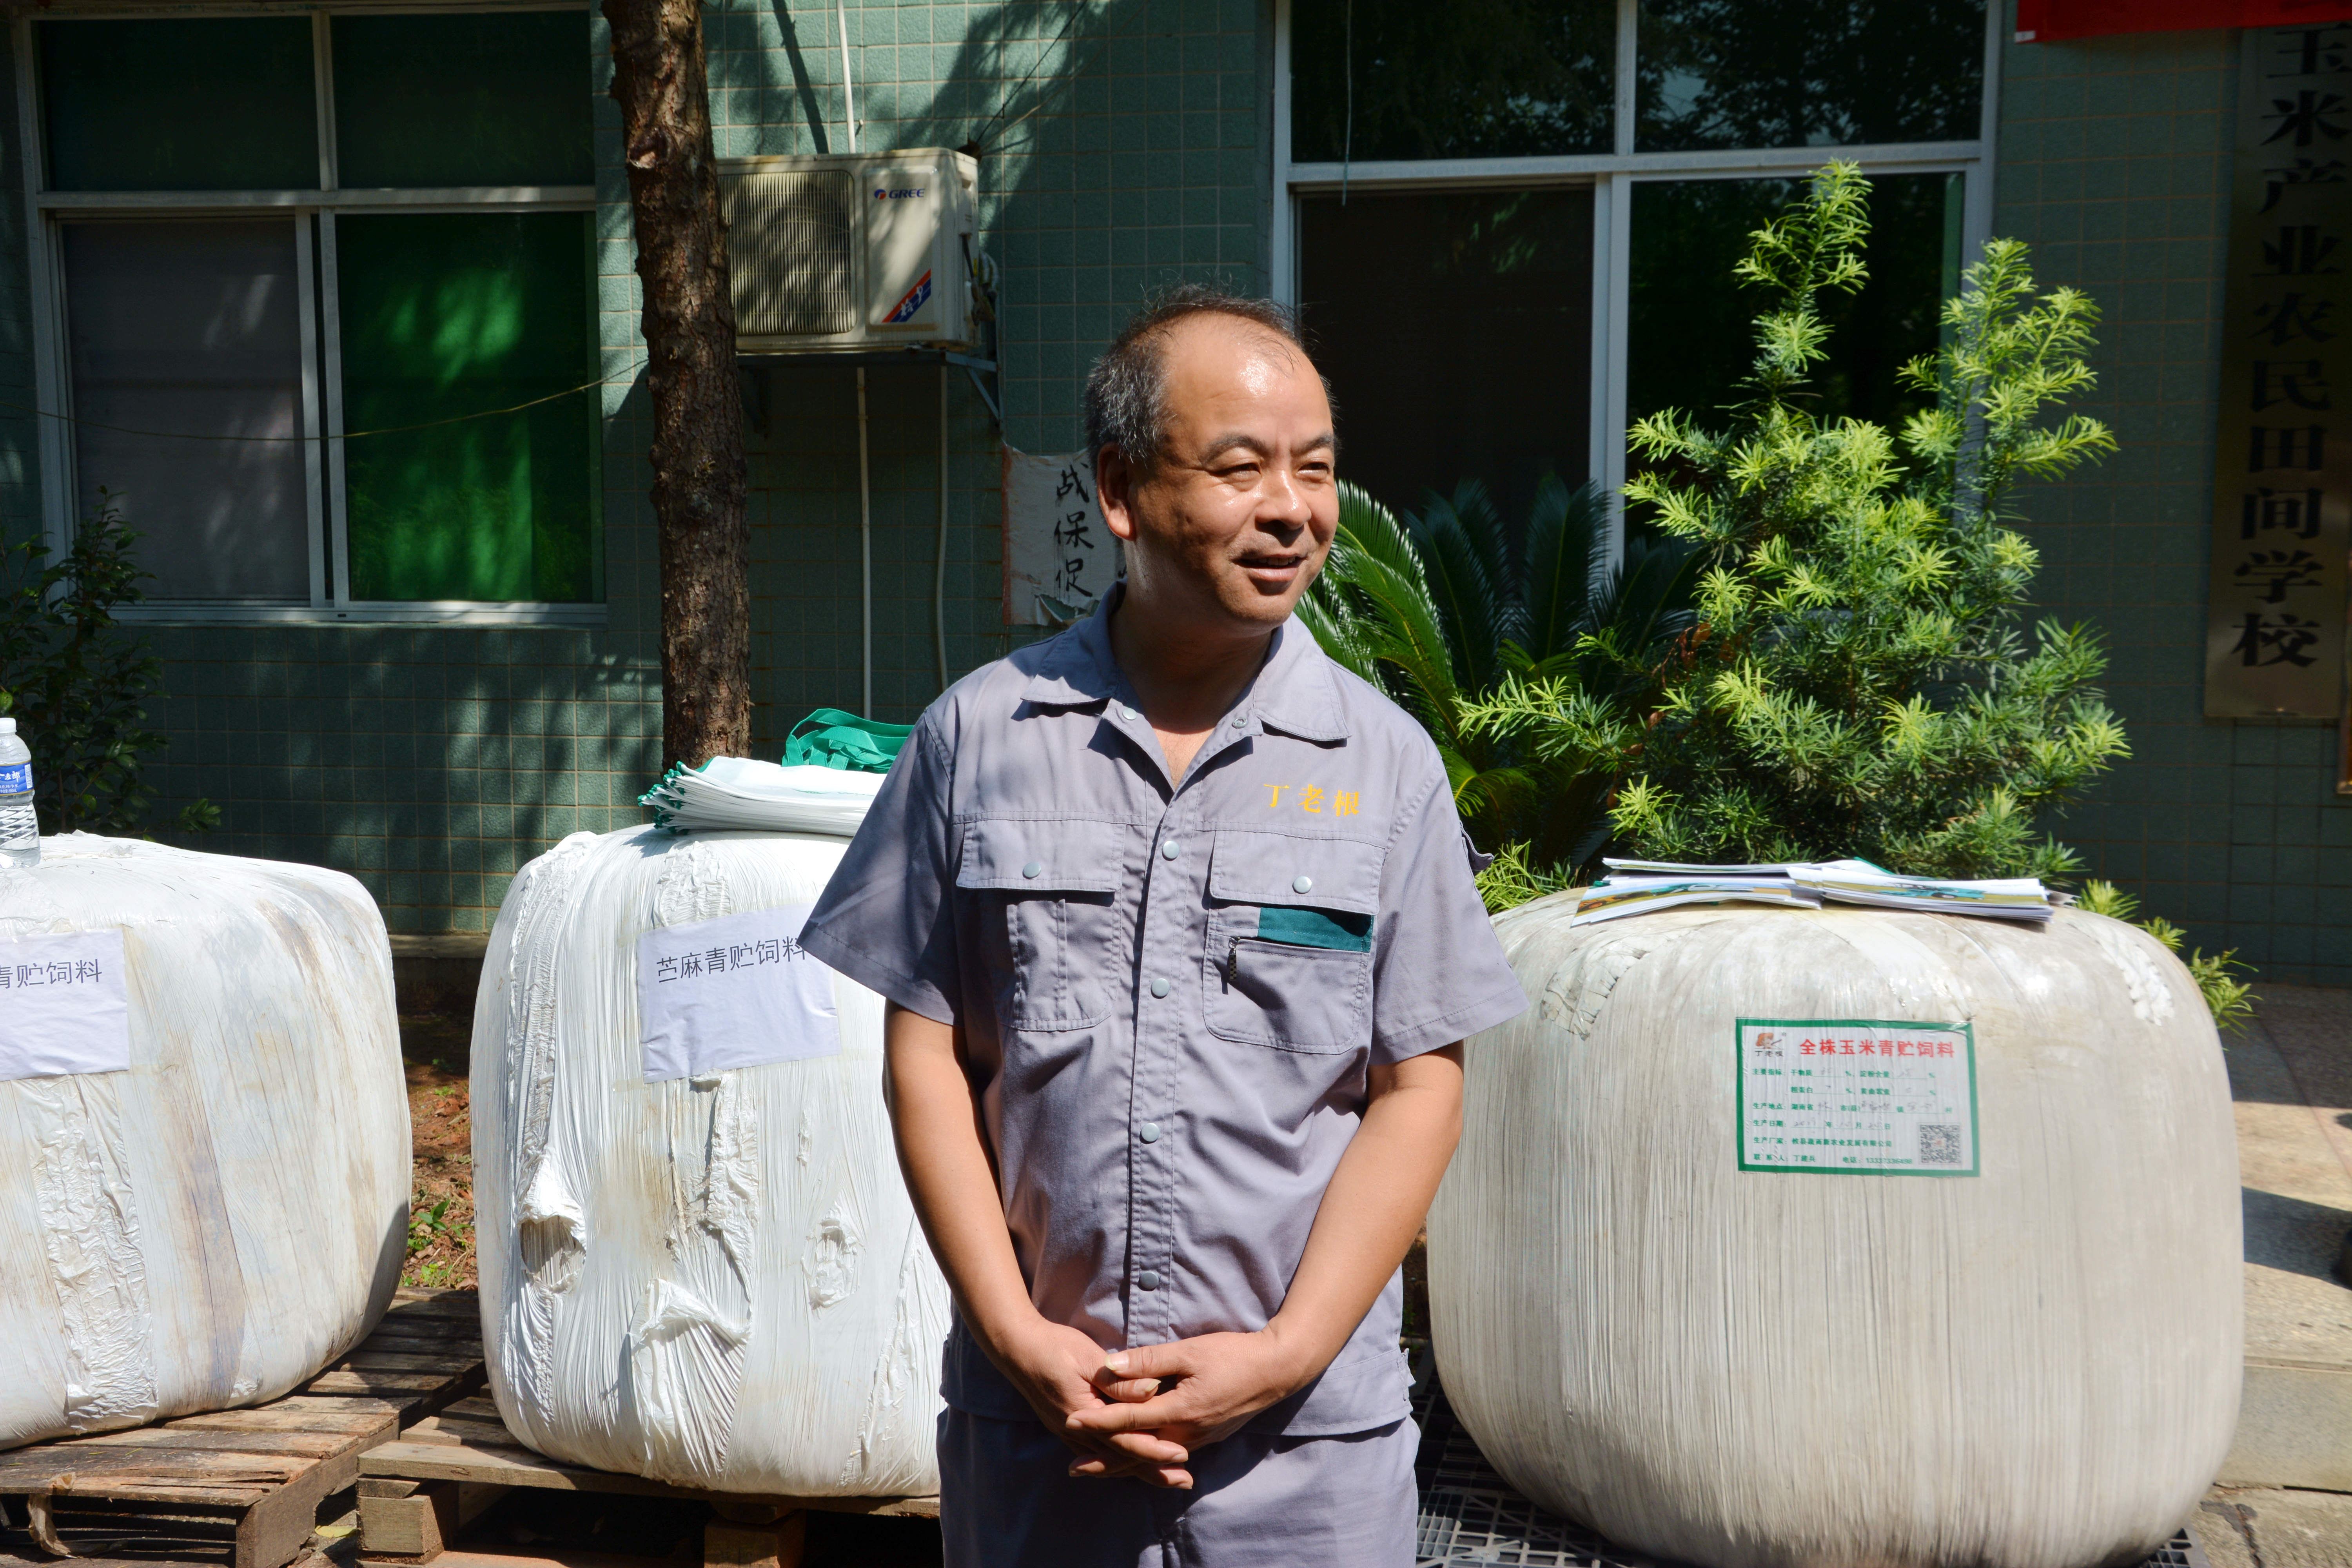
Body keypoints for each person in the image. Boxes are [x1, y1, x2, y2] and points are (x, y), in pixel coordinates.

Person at [798, 285, 1527, 1566]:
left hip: (1303, 1454)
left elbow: (1421, 1086)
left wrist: (1285, 1354)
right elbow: (927, 1053)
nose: (1294, 510)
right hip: (1044, 1433)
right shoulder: (979, 737)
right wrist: (1019, 1338)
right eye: (1242, 468)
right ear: (1124, 491)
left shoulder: (1384, 765)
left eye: (1317, 468)